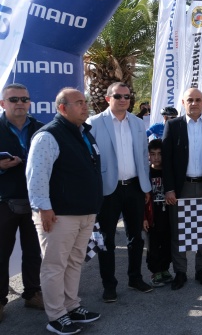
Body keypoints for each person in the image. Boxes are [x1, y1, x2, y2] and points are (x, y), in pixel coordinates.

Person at [27, 88, 103, 334]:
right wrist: (44, 208)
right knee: (54, 266)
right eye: (79, 102)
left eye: (84, 101)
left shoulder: (84, 133)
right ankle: (56, 316)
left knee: (74, 262)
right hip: (59, 215)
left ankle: (71, 306)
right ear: (62, 108)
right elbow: (37, 176)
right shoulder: (48, 136)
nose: (85, 106)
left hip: (84, 212)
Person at [86, 82, 152, 302]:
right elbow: (89, 158)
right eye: (118, 96)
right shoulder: (94, 123)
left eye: (127, 96)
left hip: (134, 187)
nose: (123, 100)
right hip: (108, 190)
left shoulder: (138, 123)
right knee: (107, 239)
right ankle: (109, 285)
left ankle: (135, 278)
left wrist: (145, 186)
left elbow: (143, 156)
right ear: (108, 98)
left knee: (136, 238)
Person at [162, 88, 202, 290]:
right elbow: (167, 161)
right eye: (190, 100)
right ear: (183, 102)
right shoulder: (173, 126)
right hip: (182, 189)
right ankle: (180, 272)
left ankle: (201, 270)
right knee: (178, 231)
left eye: (198, 100)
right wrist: (169, 189)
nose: (194, 103)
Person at [0, 84, 44, 322]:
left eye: (24, 99)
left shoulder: (40, 128)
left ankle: (32, 293)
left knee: (34, 251)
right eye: (14, 99)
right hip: (3, 202)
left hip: (35, 200)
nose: (20, 103)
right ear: (2, 103)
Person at [142, 139, 173, 286]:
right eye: (153, 154)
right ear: (148, 155)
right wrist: (143, 218)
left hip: (167, 214)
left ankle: (165, 268)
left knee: (167, 243)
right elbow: (140, 198)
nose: (156, 157)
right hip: (152, 215)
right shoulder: (145, 173)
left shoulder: (169, 172)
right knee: (153, 245)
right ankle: (155, 271)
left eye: (159, 154)